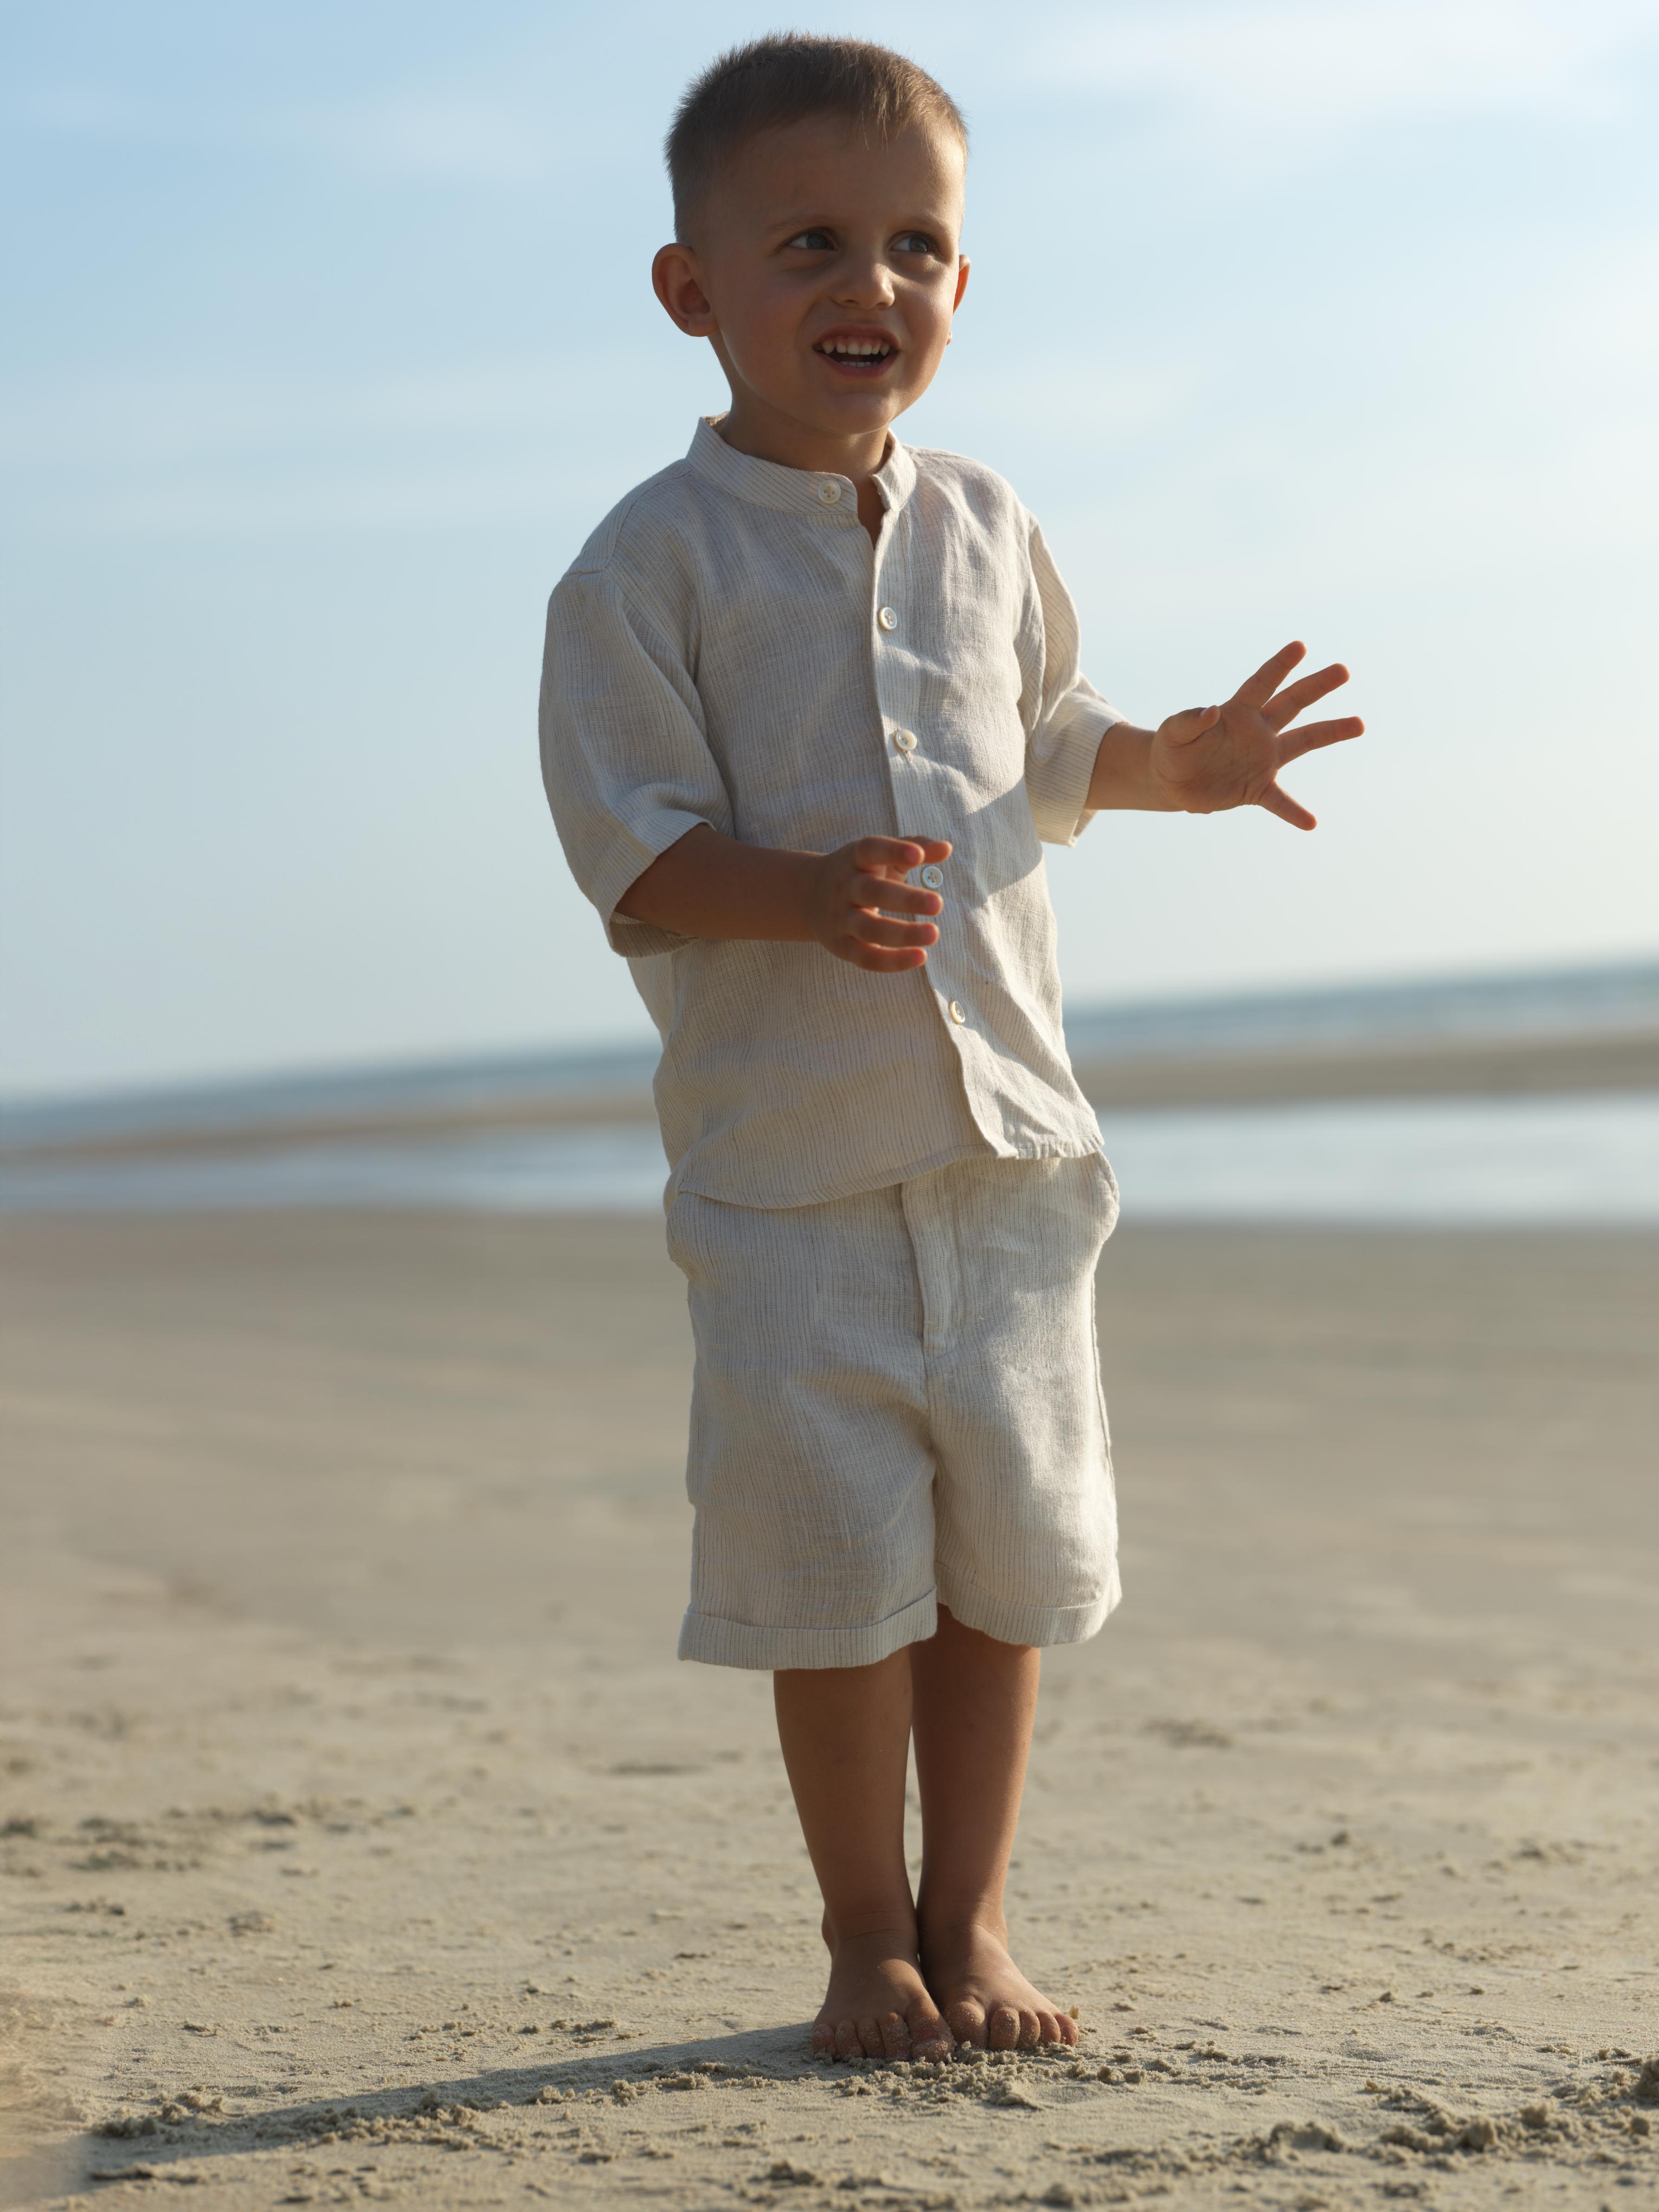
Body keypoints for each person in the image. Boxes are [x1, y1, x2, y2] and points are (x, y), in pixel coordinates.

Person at [538, 34, 1361, 2066]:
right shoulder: (647, 564)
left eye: (917, 245)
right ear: (693, 291)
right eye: (810, 240)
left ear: (962, 289)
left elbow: (1051, 743)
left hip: (1006, 1165)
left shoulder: (989, 522)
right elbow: (628, 847)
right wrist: (802, 897)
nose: (872, 283)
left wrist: (1175, 764)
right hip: (789, 1171)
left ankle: (971, 1918)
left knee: (1001, 1571)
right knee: (836, 1587)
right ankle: (857, 1938)